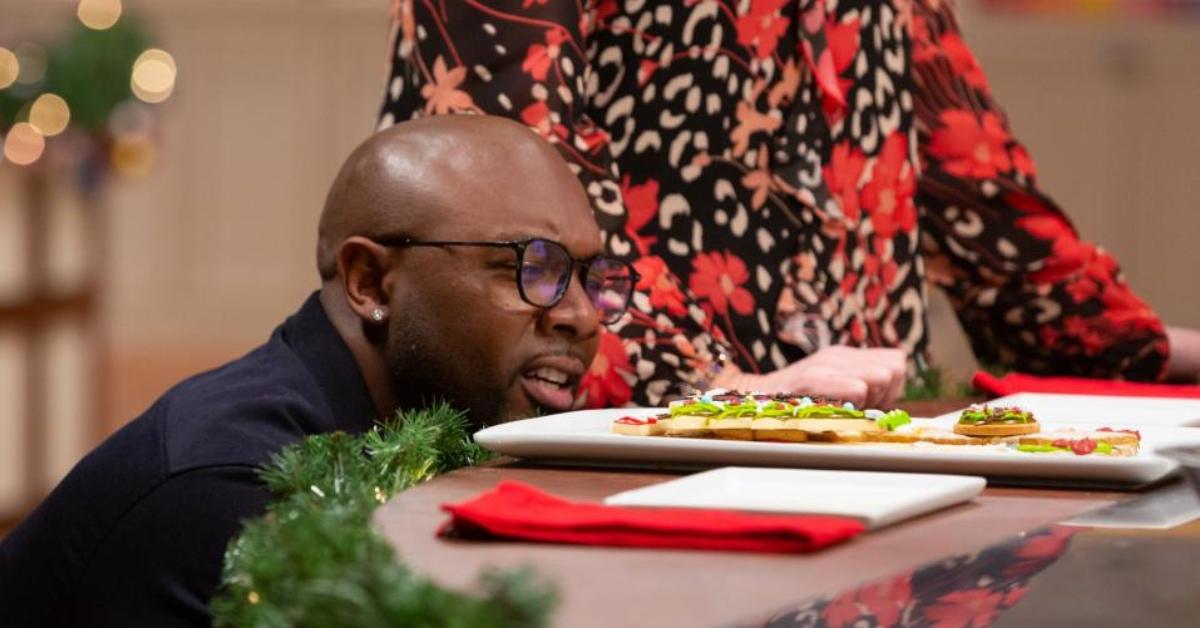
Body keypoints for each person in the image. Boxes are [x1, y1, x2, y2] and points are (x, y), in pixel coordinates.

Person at [379, 0, 1200, 409]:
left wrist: (1146, 346)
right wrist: (723, 389)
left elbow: (985, 210)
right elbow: (497, 192)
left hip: (860, 456)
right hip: (611, 453)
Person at [0, 115, 632, 625]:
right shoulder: (233, 486)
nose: (581, 315)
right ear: (369, 281)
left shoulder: (431, 432)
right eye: (528, 265)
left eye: (588, 276)